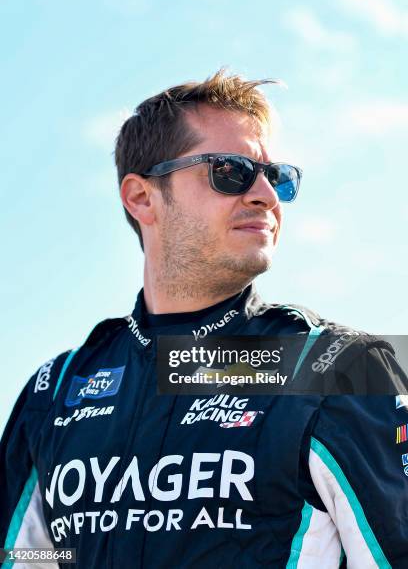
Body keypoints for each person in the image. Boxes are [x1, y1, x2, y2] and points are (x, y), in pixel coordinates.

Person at [1, 69, 408, 569]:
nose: (266, 196)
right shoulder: (55, 390)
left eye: (276, 177)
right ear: (142, 197)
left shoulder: (335, 367)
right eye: (230, 171)